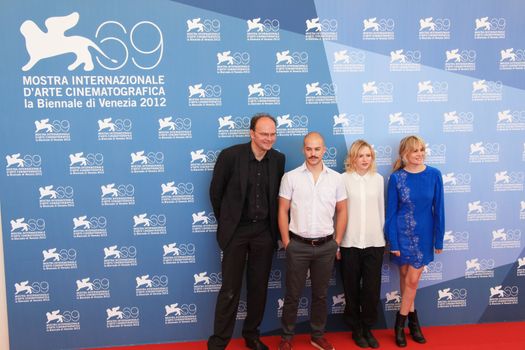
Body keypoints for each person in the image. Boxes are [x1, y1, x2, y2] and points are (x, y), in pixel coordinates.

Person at [208, 113, 286, 350]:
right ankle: (220, 340)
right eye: (264, 134)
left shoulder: (279, 159)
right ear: (252, 133)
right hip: (237, 232)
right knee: (230, 289)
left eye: (273, 134)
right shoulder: (230, 156)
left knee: (258, 287)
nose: (269, 138)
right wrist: (229, 223)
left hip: (264, 232)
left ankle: (252, 335)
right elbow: (216, 193)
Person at [277, 132, 348, 350]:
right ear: (303, 150)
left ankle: (317, 335)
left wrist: (337, 241)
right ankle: (287, 337)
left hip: (326, 246)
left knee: (320, 295)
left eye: (317, 149)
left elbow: (342, 210)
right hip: (297, 246)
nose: (313, 153)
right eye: (309, 149)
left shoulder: (336, 178)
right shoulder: (290, 177)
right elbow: (282, 210)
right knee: (292, 295)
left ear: (324, 150)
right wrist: (287, 243)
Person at [385, 135, 444, 347]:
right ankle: (414, 323)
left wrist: (439, 239)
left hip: (425, 236)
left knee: (411, 281)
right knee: (404, 276)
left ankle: (399, 325)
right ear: (404, 154)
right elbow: (391, 213)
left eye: (421, 150)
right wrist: (393, 241)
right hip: (402, 234)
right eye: (414, 151)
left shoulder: (435, 175)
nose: (419, 154)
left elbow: (439, 209)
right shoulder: (397, 178)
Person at [340, 140, 385, 349]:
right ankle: (355, 329)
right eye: (360, 155)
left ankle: (368, 328)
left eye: (368, 155)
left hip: (375, 243)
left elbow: (381, 211)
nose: (365, 159)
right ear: (352, 158)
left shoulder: (378, 179)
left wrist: (383, 238)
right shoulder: (342, 180)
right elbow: (337, 214)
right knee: (350, 289)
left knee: (371, 290)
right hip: (349, 243)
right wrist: (337, 243)